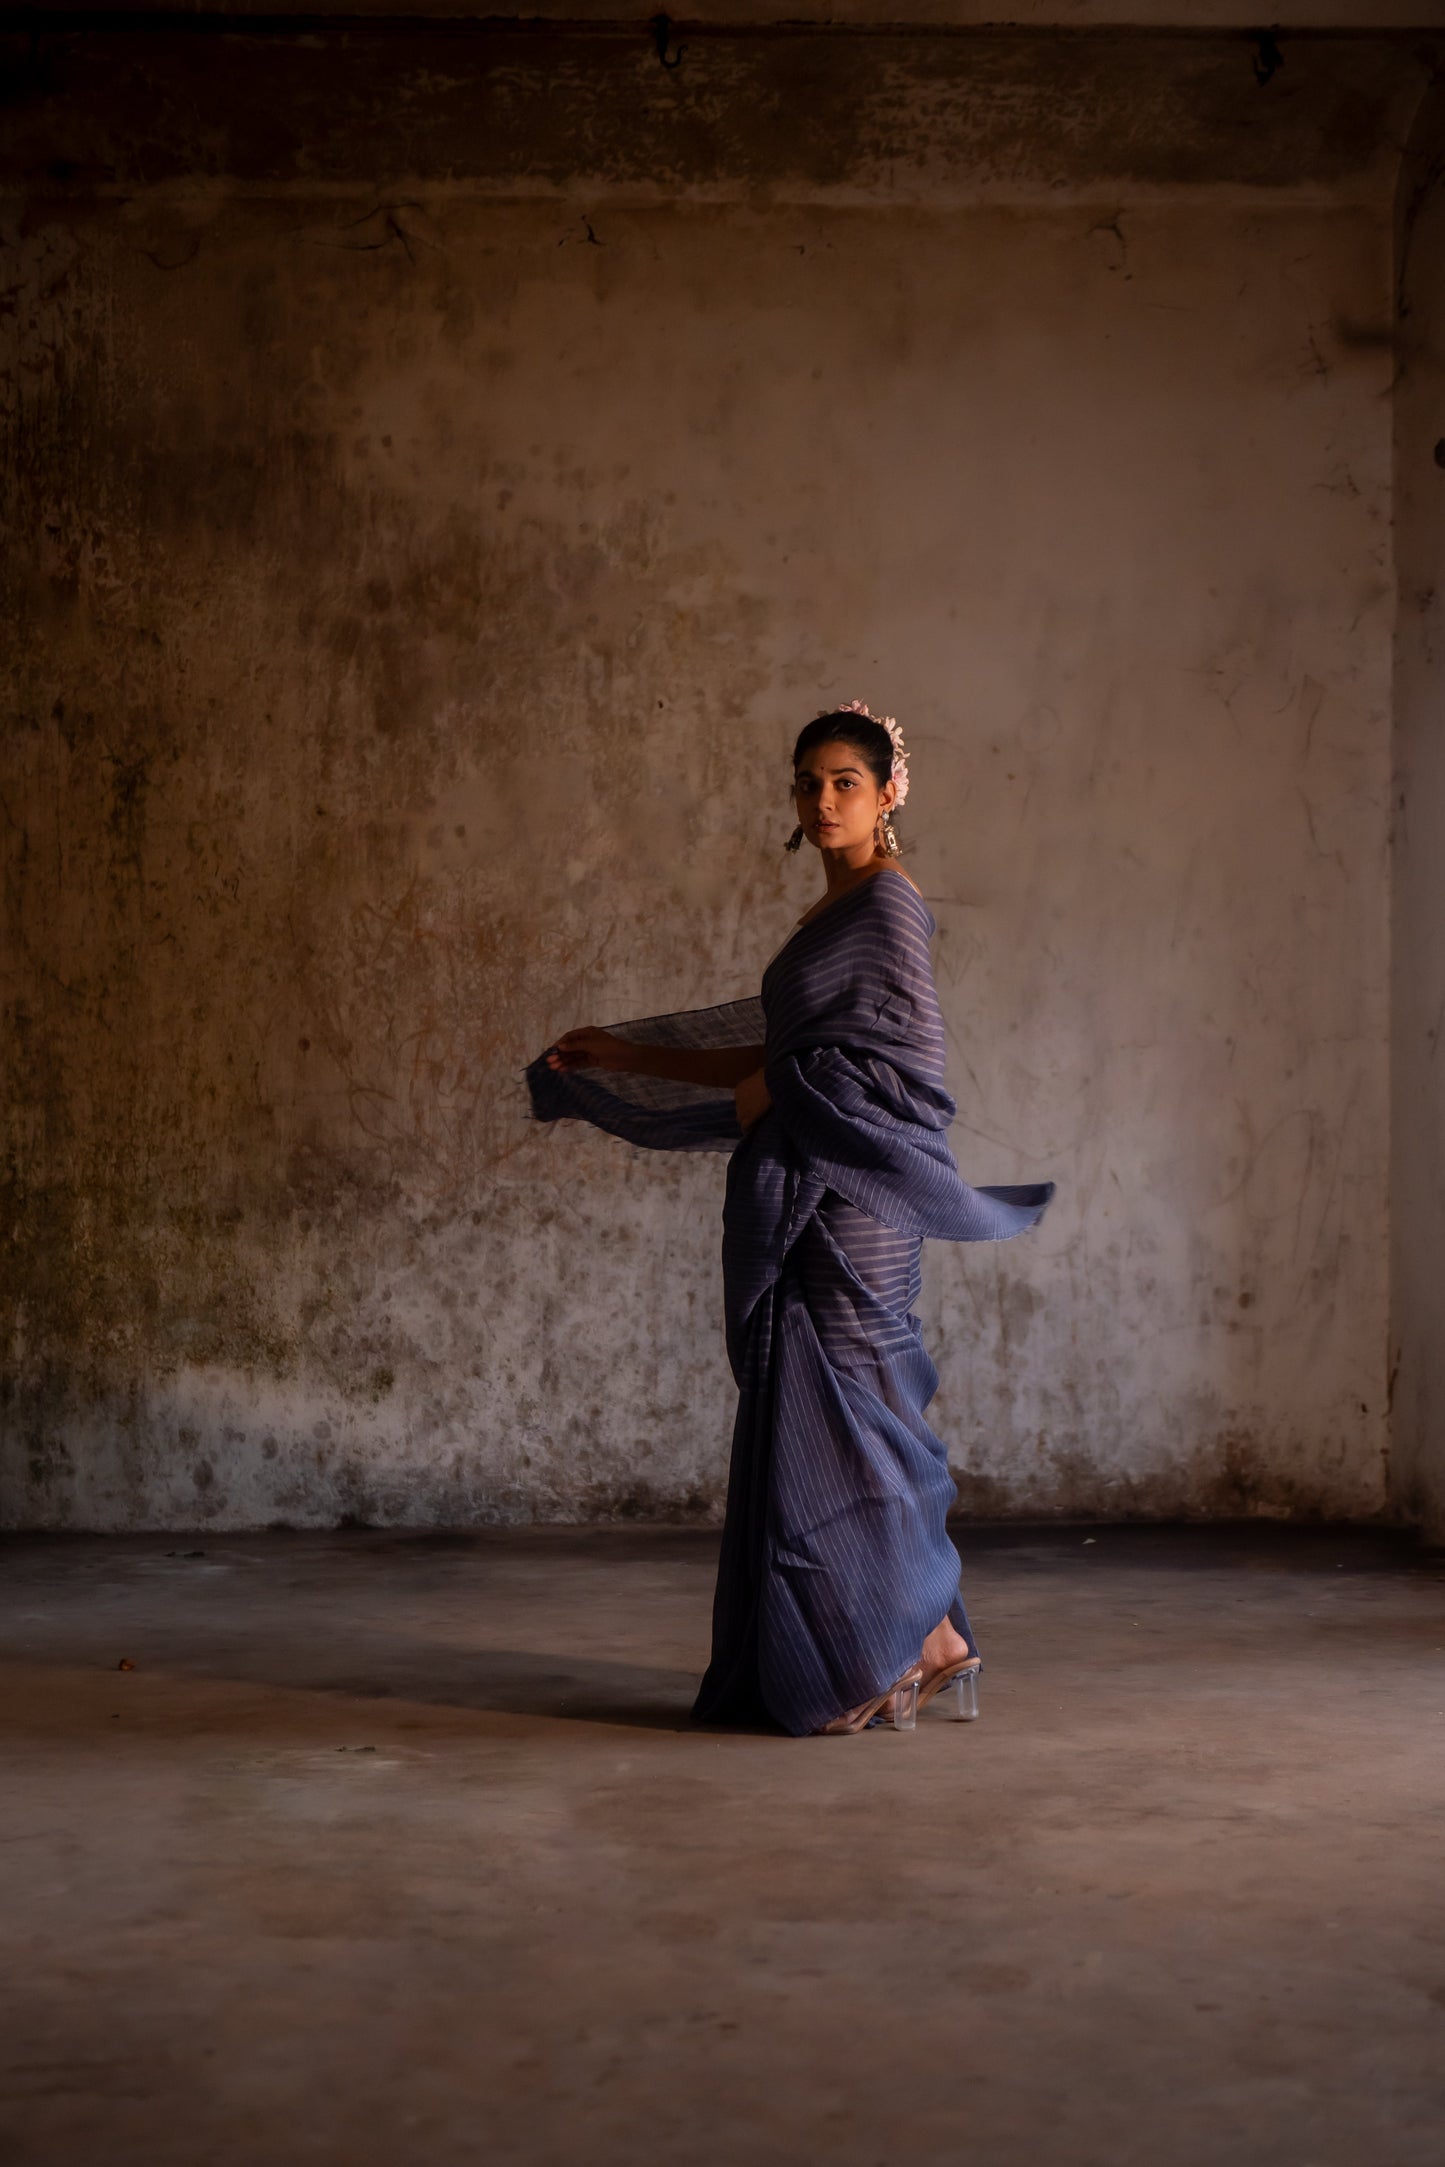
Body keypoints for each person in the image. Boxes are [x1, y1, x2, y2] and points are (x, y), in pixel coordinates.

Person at [526, 702, 1053, 1736]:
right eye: (806, 782)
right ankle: (918, 1638)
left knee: (859, 1414)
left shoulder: (888, 907)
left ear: (888, 790)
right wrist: (629, 1057)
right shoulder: (826, 914)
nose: (821, 800)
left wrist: (778, 1096)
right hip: (808, 1179)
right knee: (825, 1415)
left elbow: (895, 1066)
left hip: (852, 1195)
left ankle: (925, 1638)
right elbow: (775, 1050)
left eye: (843, 782)